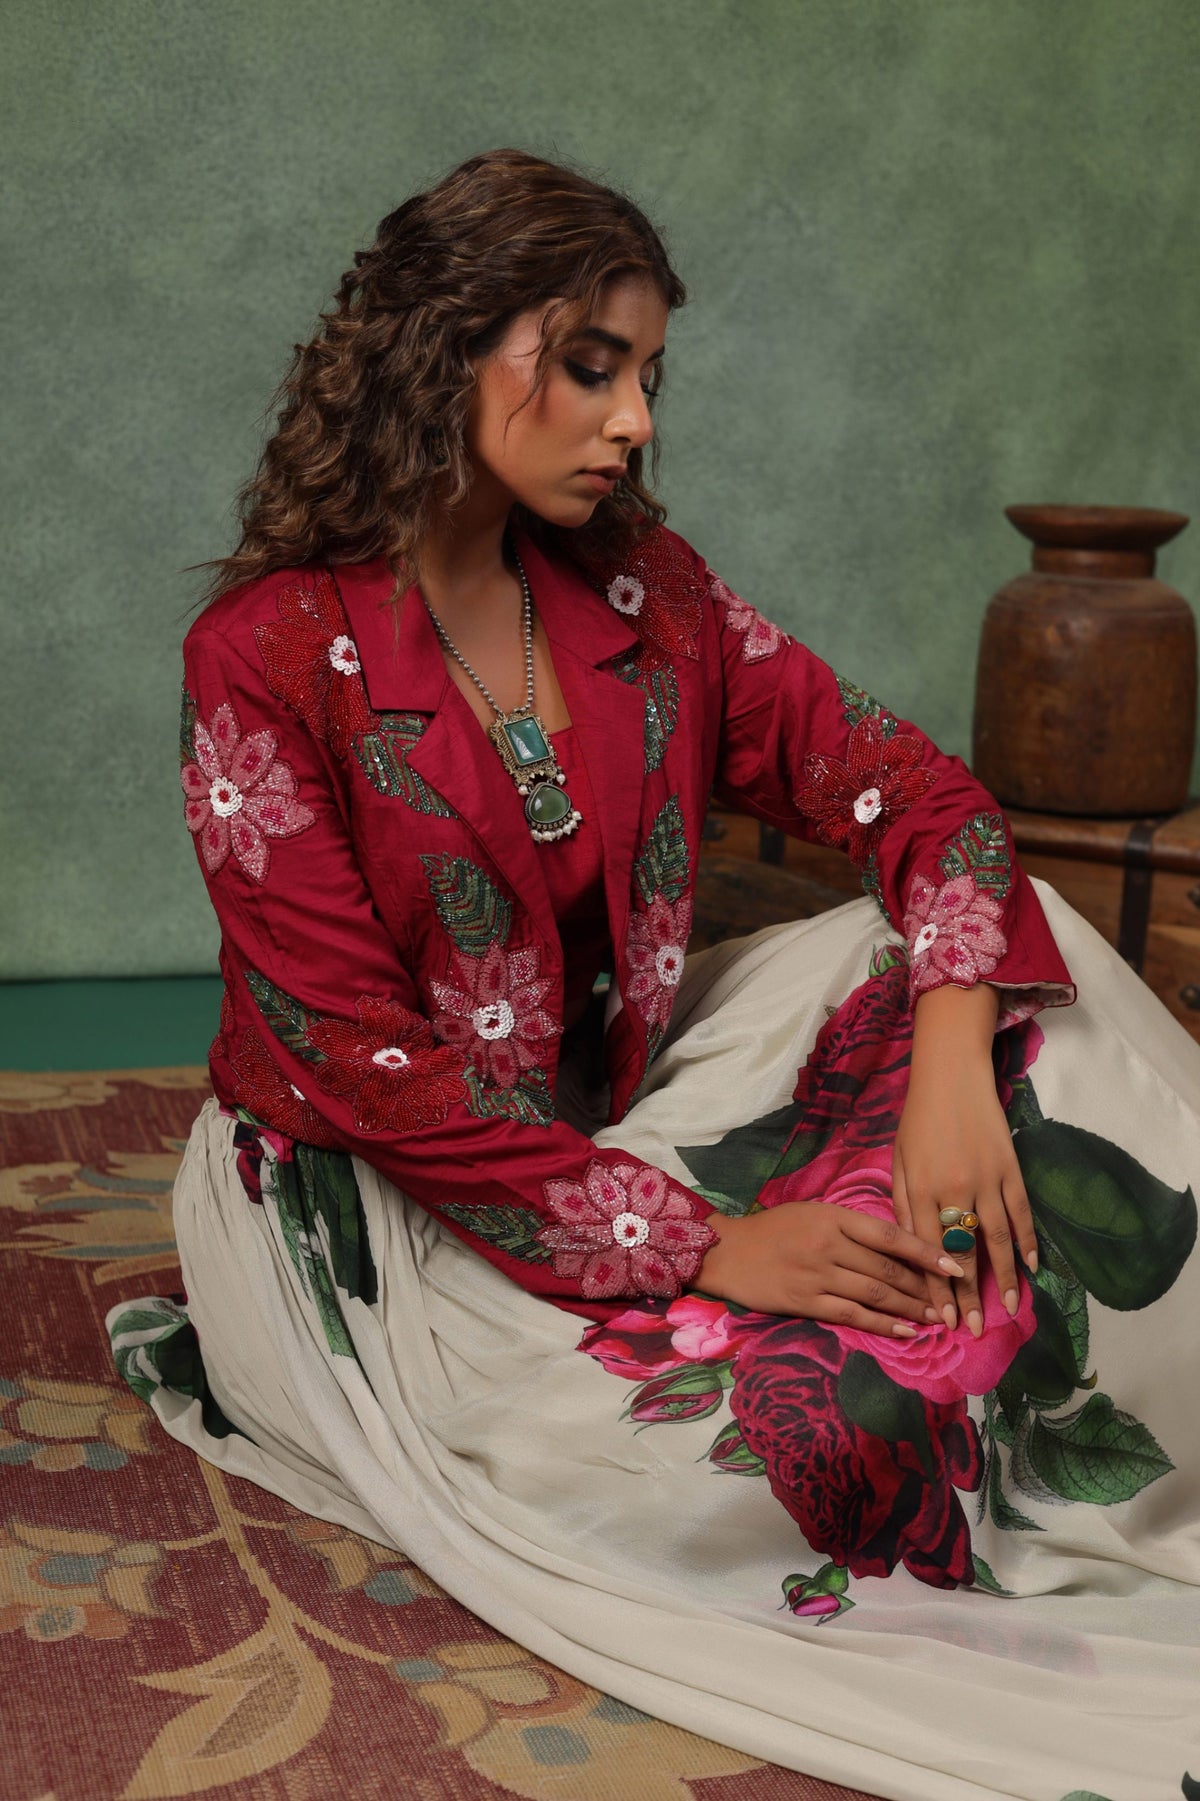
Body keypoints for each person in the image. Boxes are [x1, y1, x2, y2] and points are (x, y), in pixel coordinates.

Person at [110, 150, 1200, 1801]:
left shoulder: (644, 596)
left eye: (648, 378)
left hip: (630, 1092)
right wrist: (715, 1245)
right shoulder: (260, 658)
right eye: (589, 365)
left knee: (1014, 997)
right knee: (759, 1446)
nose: (632, 422)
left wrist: (951, 1067)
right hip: (377, 1191)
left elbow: (926, 799)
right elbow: (365, 1068)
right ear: (445, 350)